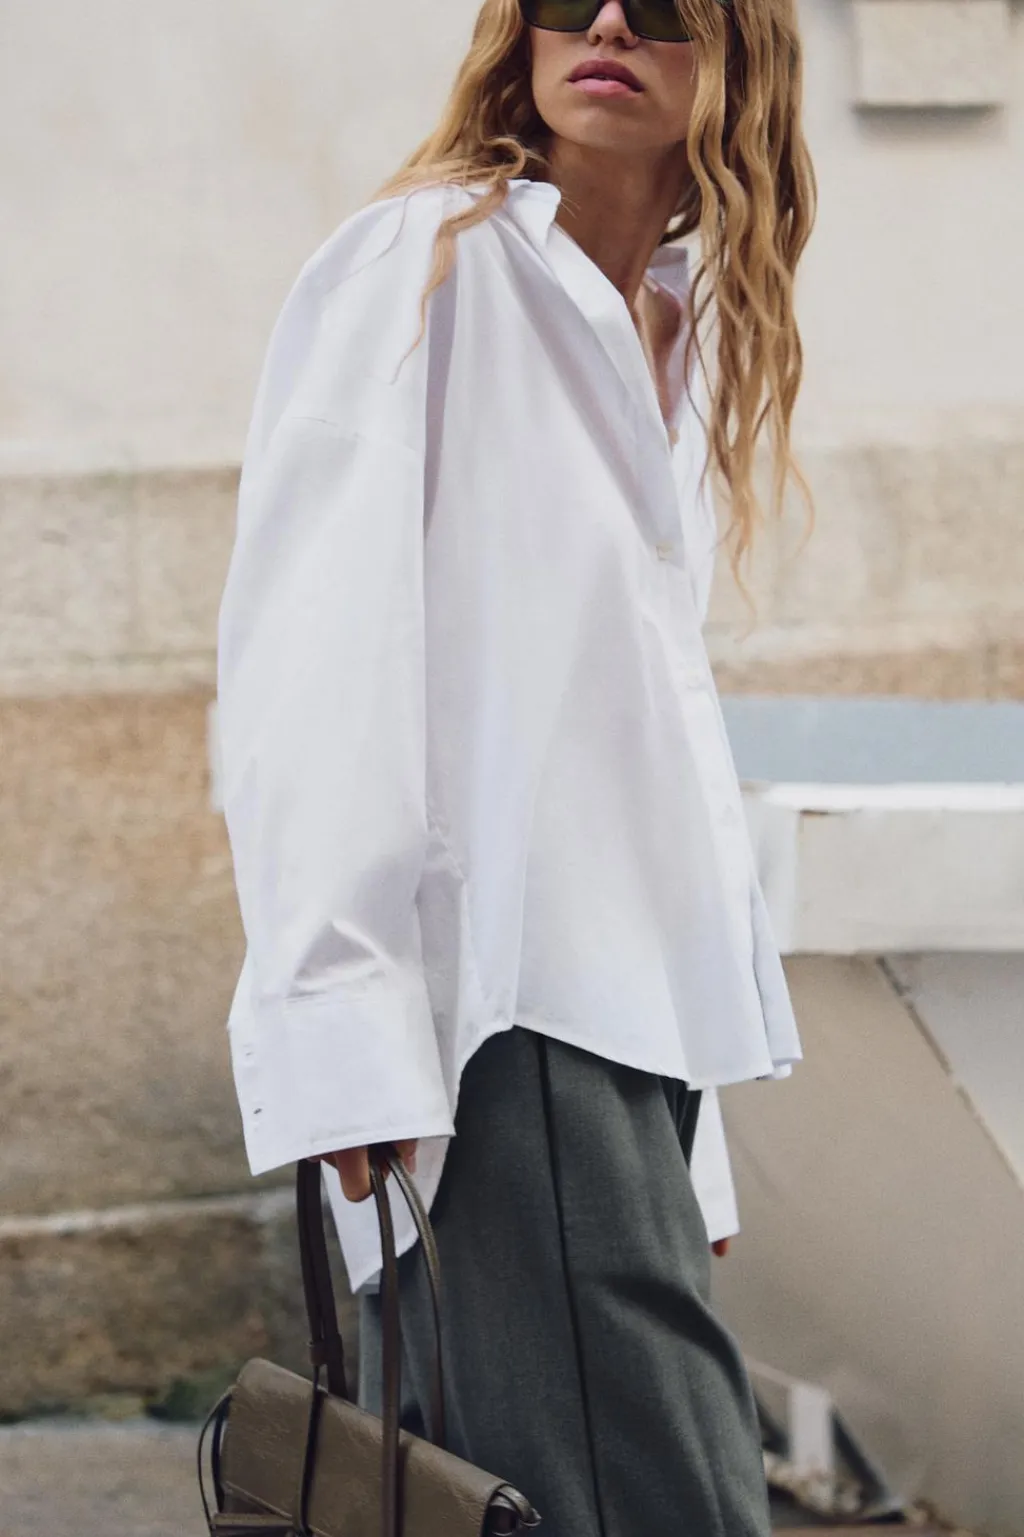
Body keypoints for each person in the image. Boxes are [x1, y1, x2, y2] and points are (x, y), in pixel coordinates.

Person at [217, 0, 816, 1532]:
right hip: (504, 1032)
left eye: (663, 5)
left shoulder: (682, 326)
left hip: (627, 1046)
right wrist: (336, 1016)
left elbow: (640, 760)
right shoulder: (423, 269)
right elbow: (312, 670)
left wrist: (693, 1156)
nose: (609, 22)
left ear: (738, 52)